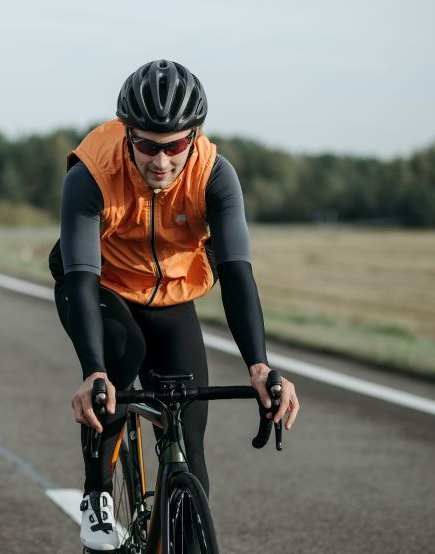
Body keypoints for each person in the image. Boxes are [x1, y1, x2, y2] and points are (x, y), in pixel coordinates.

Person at [49, 60, 300, 552]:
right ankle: (98, 493)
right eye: (146, 144)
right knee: (120, 360)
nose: (160, 161)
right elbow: (81, 275)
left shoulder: (215, 176)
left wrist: (260, 365)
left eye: (175, 146)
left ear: (195, 136)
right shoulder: (92, 173)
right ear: (126, 135)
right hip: (102, 290)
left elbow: (235, 272)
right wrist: (94, 371)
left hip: (172, 298)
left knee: (191, 444)